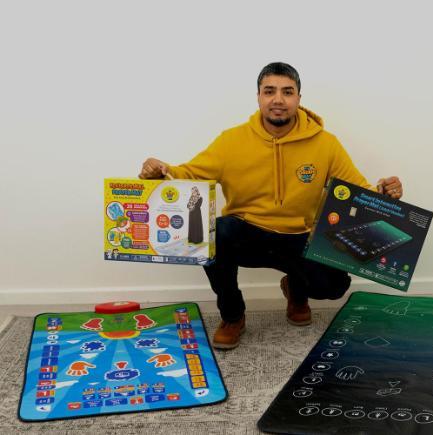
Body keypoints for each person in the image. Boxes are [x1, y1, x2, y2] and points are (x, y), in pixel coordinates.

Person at [139, 62, 403, 349]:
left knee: (335, 286)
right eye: (270, 91)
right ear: (258, 97)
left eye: (287, 92)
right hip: (248, 234)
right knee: (214, 233)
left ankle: (296, 290)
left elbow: (358, 190)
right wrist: (163, 171)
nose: (278, 99)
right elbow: (190, 174)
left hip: (300, 237)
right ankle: (233, 315)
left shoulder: (326, 144)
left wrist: (384, 192)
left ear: (299, 99)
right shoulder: (231, 140)